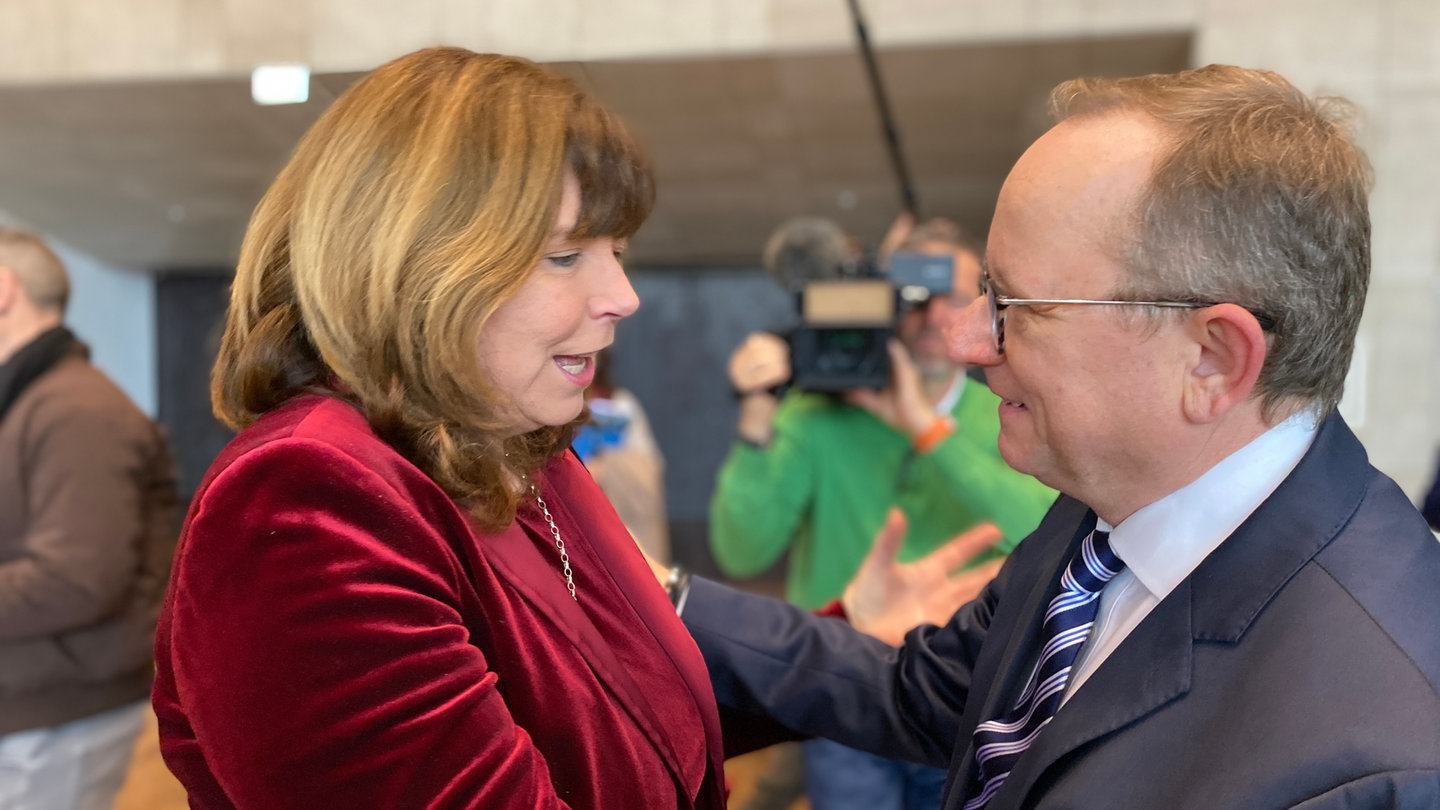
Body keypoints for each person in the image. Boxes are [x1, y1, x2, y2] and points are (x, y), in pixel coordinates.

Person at [681, 64, 1440, 809]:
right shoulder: (1110, 498)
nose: (966, 340)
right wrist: (659, 595)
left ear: (1211, 358)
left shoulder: (1378, 765)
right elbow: (929, 694)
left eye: (1014, 304)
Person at [150, 48, 729, 809]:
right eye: (564, 256)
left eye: (615, 252)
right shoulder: (309, 496)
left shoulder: (507, 446)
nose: (623, 295)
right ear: (413, 269)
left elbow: (626, 713)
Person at [714, 215, 1057, 810]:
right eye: (914, 297)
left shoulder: (1008, 413)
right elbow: (740, 551)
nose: (932, 316)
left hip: (966, 686)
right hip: (842, 678)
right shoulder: (815, 417)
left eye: (953, 296)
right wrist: (756, 413)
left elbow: (1044, 530)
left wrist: (926, 429)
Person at [0, 227, 179, 810]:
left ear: (4, 289)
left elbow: (75, 581)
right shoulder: (33, 403)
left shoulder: (74, 411)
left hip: (57, 720)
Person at [574, 348, 671, 563]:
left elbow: (647, 476)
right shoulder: (545, 406)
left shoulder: (619, 404)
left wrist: (606, 467)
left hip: (620, 521)